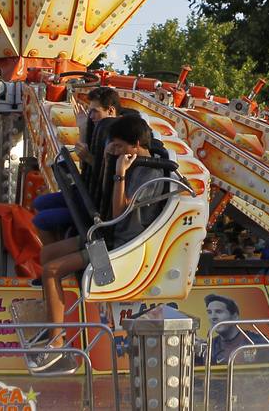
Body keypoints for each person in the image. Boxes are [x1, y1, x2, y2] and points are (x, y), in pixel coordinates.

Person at [32, 115, 168, 371]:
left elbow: (119, 212)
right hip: (108, 234)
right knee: (48, 254)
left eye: (117, 145)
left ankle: (56, 345)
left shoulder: (152, 171)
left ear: (135, 144)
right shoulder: (134, 160)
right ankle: (53, 323)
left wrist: (119, 175)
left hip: (122, 246)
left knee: (51, 271)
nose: (113, 150)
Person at [30, 86, 122, 243]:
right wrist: (82, 128)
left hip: (100, 206)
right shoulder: (98, 128)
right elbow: (87, 158)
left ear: (111, 111)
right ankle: (67, 239)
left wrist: (88, 158)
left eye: (95, 111)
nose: (91, 116)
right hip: (87, 194)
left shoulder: (117, 136)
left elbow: (111, 175)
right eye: (90, 111)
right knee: (39, 203)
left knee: (41, 220)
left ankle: (64, 256)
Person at [197, 294, 269, 365]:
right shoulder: (211, 345)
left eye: (219, 312)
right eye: (209, 312)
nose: (213, 317)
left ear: (235, 317)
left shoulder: (257, 341)